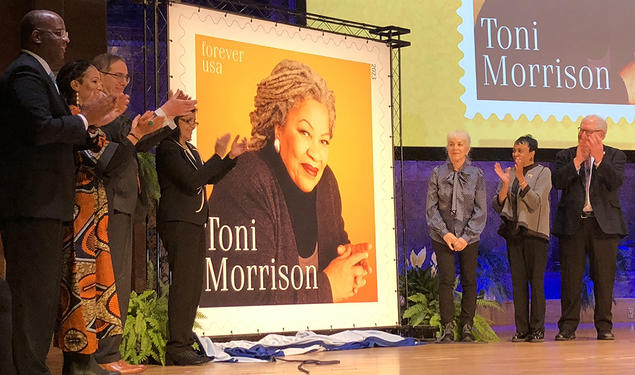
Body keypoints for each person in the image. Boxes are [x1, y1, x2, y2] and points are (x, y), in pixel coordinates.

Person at [0, 10, 120, 375]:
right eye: (59, 32)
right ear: (37, 37)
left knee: (40, 298)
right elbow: (40, 128)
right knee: (31, 298)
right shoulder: (25, 73)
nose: (67, 39)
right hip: (32, 206)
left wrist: (90, 121)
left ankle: (32, 368)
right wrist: (86, 120)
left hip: (45, 207)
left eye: (67, 31)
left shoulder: (41, 76)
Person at [206, 59, 372, 306]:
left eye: (324, 141)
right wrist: (328, 287)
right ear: (278, 130)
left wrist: (349, 260)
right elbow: (244, 298)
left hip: (311, 339)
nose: (316, 153)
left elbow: (334, 250)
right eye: (305, 133)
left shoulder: (325, 182)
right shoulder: (244, 177)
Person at [55, 60, 163, 375]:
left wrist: (136, 133)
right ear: (75, 87)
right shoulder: (71, 120)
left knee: (96, 290)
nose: (100, 88)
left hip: (95, 219)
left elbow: (112, 161)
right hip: (78, 220)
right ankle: (79, 363)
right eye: (94, 82)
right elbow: (101, 162)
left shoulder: (88, 125)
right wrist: (131, 135)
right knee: (79, 289)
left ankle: (88, 361)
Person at [91, 53, 196, 372]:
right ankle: (104, 355)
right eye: (117, 76)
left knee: (119, 281)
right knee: (109, 281)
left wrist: (168, 116)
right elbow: (129, 139)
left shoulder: (114, 112)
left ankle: (110, 354)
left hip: (123, 206)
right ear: (99, 76)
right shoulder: (100, 112)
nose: (124, 83)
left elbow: (138, 140)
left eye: (127, 78)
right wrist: (166, 113)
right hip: (106, 204)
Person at [156, 111, 246, 365]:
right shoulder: (168, 148)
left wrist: (229, 157)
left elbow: (208, 177)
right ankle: (177, 347)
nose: (192, 127)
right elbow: (192, 181)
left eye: (195, 121)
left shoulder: (192, 151)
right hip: (178, 222)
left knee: (194, 284)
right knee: (184, 284)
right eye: (187, 121)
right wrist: (218, 155)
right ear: (174, 122)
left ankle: (184, 342)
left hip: (195, 222)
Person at [552, 114, 627, 341]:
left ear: (601, 135)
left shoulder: (616, 156)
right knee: (570, 278)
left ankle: (604, 327)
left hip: (603, 226)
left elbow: (615, 182)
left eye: (589, 131)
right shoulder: (565, 155)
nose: (583, 135)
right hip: (572, 225)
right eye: (581, 130)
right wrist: (577, 161)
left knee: (604, 278)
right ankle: (567, 328)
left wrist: (599, 160)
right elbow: (557, 182)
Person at [426, 130, 486, 343]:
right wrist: (446, 234)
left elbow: (481, 211)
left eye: (460, 144)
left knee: (469, 281)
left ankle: (467, 327)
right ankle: (448, 328)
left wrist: (465, 237)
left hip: (469, 237)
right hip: (443, 236)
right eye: (451, 144)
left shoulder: (477, 175)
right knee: (446, 281)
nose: (455, 148)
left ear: (467, 148)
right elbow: (431, 210)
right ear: (447, 148)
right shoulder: (437, 173)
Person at [493, 135, 551, 343]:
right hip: (514, 235)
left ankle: (537, 329)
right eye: (514, 150)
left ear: (532, 153)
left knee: (536, 283)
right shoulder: (511, 174)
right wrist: (506, 184)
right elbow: (499, 205)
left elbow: (535, 202)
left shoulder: (544, 172)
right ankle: (522, 329)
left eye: (520, 150)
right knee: (518, 284)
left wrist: (521, 177)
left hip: (535, 235)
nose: (516, 154)